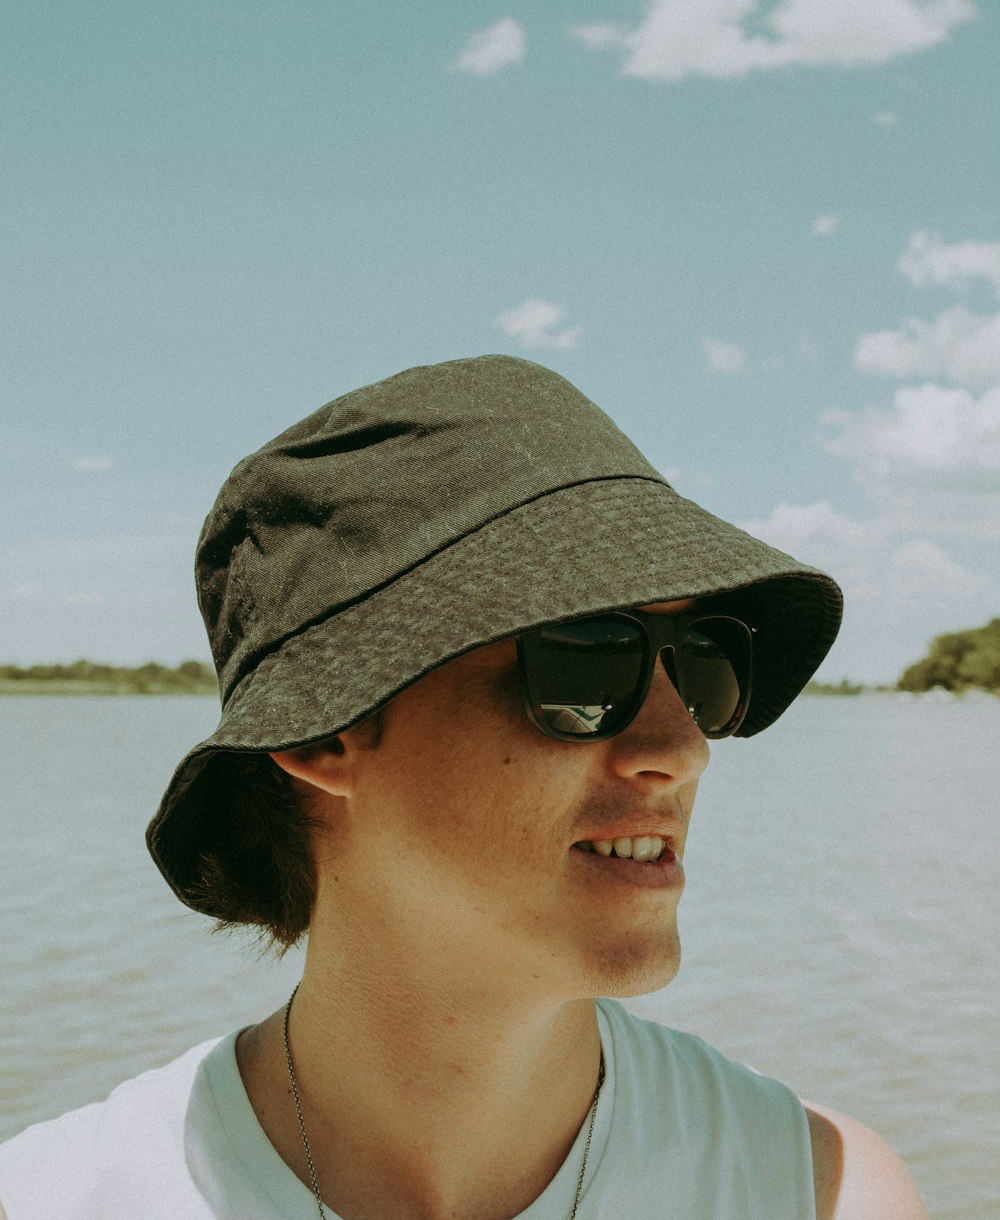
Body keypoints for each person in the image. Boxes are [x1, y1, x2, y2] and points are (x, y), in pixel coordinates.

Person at [0, 355, 928, 1219]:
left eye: (706, 663)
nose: (682, 750)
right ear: (326, 729)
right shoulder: (64, 1195)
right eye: (583, 665)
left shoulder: (817, 1193)